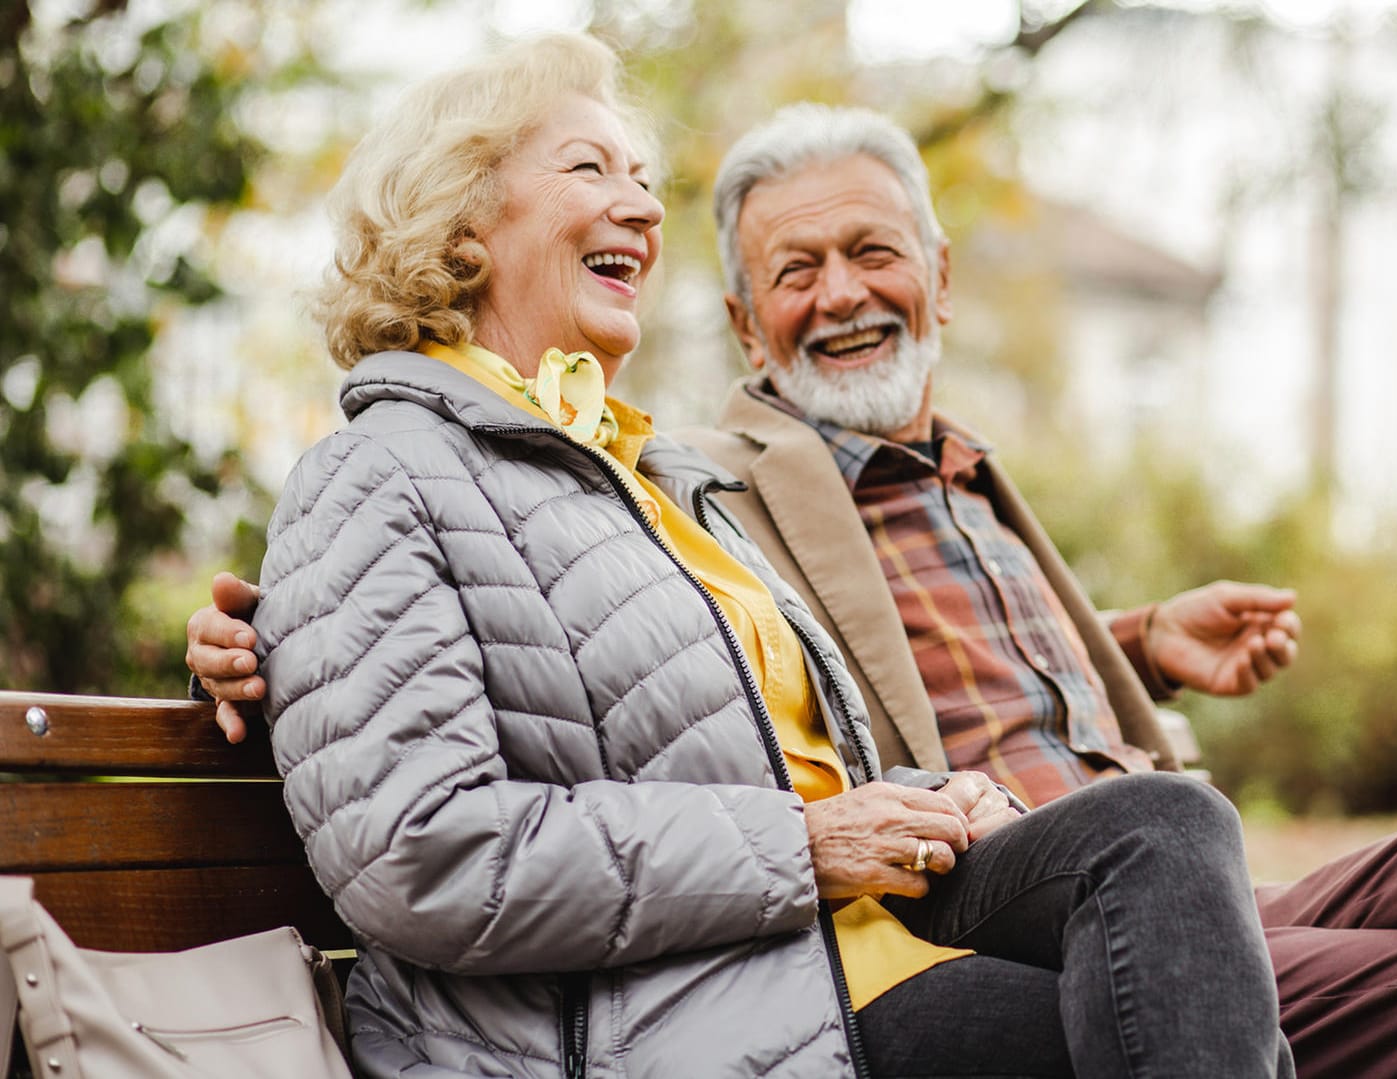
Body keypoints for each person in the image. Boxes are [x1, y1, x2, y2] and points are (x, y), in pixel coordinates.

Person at [192, 96, 1397, 1077]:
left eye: (874, 255)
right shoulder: (711, 463)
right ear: (746, 326)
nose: (839, 298)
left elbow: (701, 663)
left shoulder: (794, 478)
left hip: (1108, 886)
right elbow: (429, 711)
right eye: (791, 272)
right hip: (935, 922)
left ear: (944, 275)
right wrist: (242, 635)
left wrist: (1134, 647)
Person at [245, 35, 1281, 1079]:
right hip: (672, 1008)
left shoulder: (648, 474)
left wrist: (929, 795)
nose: (647, 210)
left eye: (643, 179)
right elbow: (422, 852)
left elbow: (760, 761)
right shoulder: (377, 476)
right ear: (461, 220)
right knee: (1197, 1025)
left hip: (838, 940)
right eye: (590, 169)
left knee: (1166, 825)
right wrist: (808, 844)